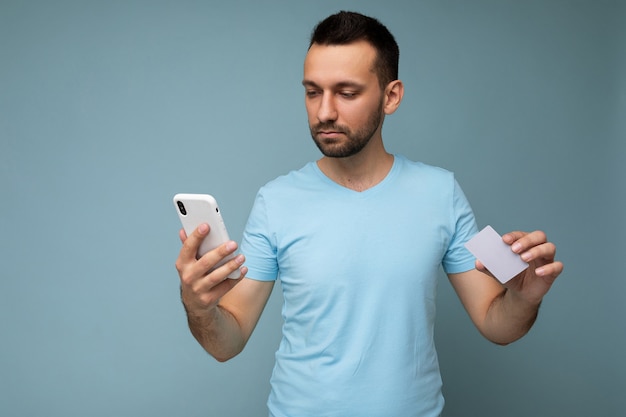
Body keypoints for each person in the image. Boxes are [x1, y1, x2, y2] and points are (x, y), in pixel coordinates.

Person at [175, 11, 563, 417]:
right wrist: (198, 307)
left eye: (346, 92)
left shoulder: (441, 192)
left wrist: (523, 298)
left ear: (391, 96)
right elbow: (228, 341)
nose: (324, 111)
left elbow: (495, 324)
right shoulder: (276, 201)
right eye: (312, 92)